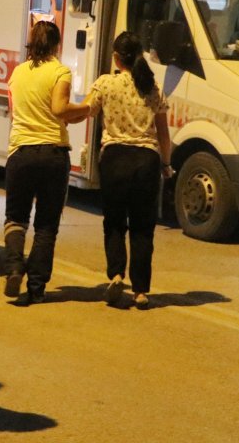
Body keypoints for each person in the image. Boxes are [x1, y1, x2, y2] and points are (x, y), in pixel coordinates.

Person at [81, 31, 172, 309]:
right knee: (143, 228)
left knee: (114, 222)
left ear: (116, 58)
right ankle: (141, 291)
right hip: (146, 162)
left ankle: (117, 275)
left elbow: (86, 110)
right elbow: (163, 134)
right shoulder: (152, 87)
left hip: (115, 160)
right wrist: (166, 165)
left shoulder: (105, 84)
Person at [3, 21, 89, 305]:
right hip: (52, 154)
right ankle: (36, 288)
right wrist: (87, 107)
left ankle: (14, 268)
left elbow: (14, 112)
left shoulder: (17, 73)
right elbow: (60, 109)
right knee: (46, 225)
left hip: (21, 152)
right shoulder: (60, 71)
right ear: (56, 45)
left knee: (15, 218)